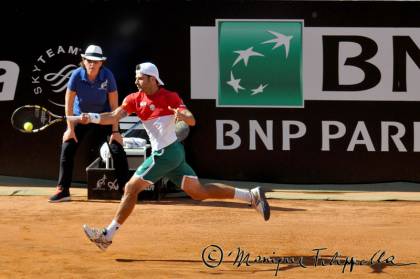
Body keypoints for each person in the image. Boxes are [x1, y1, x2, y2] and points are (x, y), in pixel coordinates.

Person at [82, 62, 270, 251]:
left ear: (152, 79)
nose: (136, 81)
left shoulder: (169, 97)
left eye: (140, 78)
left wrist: (183, 115)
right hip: (173, 155)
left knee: (131, 188)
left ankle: (107, 235)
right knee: (198, 192)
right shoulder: (133, 99)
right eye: (136, 77)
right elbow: (113, 116)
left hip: (166, 153)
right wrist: (91, 117)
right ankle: (251, 196)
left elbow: (191, 119)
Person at [48, 45, 129, 202]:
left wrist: (115, 131)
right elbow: (69, 102)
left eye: (96, 61)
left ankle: (126, 189)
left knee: (116, 148)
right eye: (89, 60)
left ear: (101, 63)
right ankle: (63, 190)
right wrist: (70, 128)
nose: (92, 64)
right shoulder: (76, 75)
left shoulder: (108, 76)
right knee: (67, 147)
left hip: (104, 118)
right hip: (81, 118)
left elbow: (114, 106)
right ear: (83, 61)